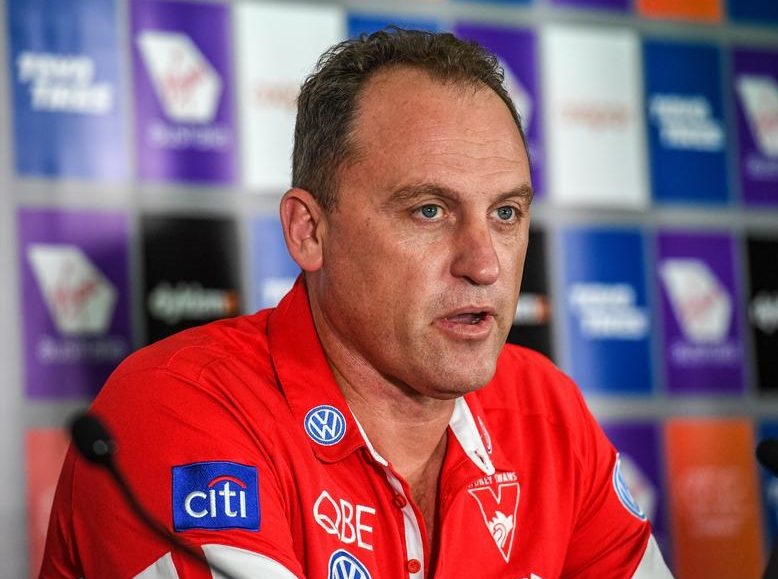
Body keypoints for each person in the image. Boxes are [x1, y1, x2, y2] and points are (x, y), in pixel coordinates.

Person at [41, 29, 673, 578]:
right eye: (430, 211)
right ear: (309, 232)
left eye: (506, 213)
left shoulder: (547, 413)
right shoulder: (181, 405)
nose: (484, 264)